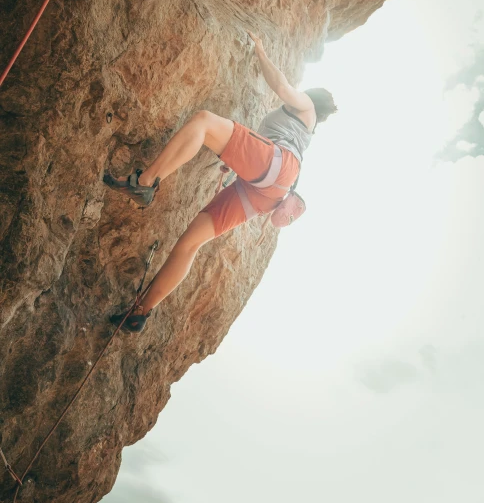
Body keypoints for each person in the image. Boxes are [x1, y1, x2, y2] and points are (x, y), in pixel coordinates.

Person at [103, 31, 337, 332]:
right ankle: (140, 313)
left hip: (275, 169)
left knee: (203, 121)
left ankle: (145, 182)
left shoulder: (307, 107)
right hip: (267, 190)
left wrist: (261, 51)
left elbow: (281, 86)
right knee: (190, 243)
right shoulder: (303, 130)